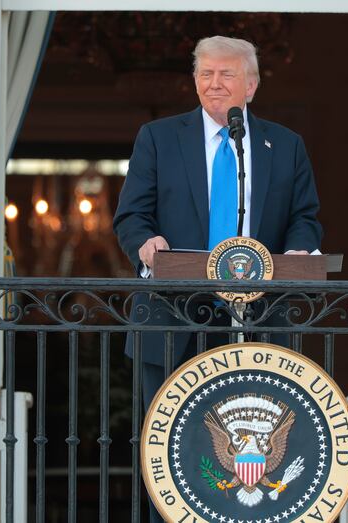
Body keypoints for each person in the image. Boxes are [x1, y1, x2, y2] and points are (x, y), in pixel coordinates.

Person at [113, 35, 322, 522]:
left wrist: (297, 248)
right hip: (171, 318)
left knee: (260, 448)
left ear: (251, 85)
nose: (214, 84)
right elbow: (132, 217)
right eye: (205, 74)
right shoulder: (158, 138)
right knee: (168, 453)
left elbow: (305, 217)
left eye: (226, 74)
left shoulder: (284, 145)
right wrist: (146, 245)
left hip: (260, 320)